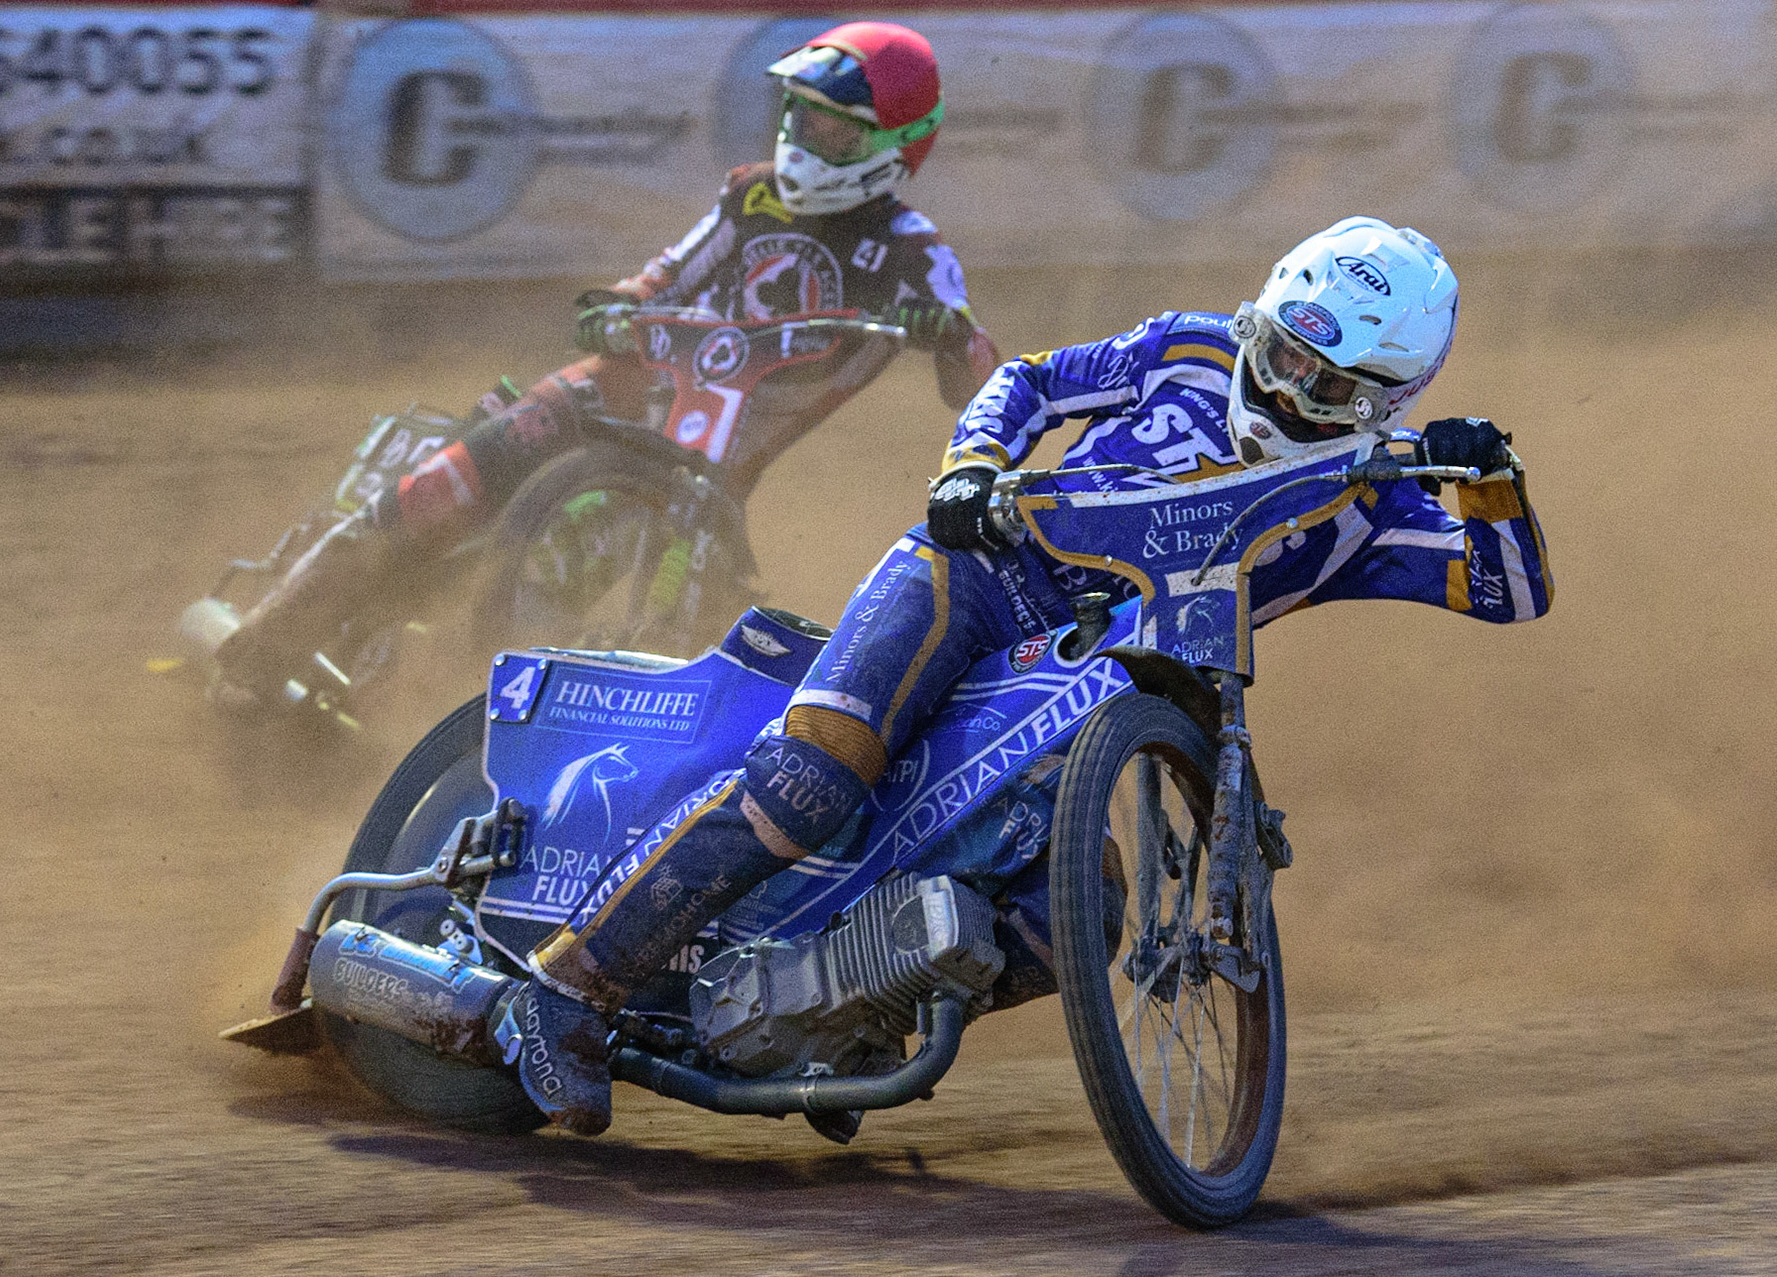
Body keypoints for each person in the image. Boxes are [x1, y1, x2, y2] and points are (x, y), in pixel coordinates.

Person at [504, 215, 1554, 1135]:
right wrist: (972, 463)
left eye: (1326, 387)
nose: (1284, 388)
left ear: (1389, 402)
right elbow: (1034, 380)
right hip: (975, 577)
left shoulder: (1371, 499)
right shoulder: (1186, 347)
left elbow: (1508, 587)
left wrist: (1490, 478)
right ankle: (564, 987)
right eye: (1279, 354)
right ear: (1260, 317)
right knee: (814, 780)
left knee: (1080, 916)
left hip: (1104, 681)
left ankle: (845, 1010)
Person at [212, 21, 1000, 704]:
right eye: (802, 116)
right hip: (605, 393)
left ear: (896, 146)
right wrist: (617, 303)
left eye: (837, 131)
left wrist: (947, 333)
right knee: (434, 490)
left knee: (549, 589)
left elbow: (983, 378)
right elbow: (666, 272)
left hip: (701, 473)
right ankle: (261, 638)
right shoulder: (751, 197)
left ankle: (436, 718)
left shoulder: (913, 253)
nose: (808, 139)